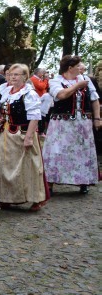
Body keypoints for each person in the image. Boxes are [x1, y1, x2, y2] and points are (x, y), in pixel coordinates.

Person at [0, 63, 49, 211]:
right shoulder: (5, 91)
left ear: (25, 77)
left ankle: (35, 198)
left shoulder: (29, 93)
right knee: (4, 165)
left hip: (23, 133)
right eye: (11, 74)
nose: (13, 77)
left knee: (29, 167)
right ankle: (7, 197)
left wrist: (29, 137)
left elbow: (34, 116)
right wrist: (0, 117)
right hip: (6, 134)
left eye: (16, 74)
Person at [42, 55, 101, 194]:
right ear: (70, 68)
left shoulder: (85, 80)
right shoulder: (55, 81)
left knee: (82, 152)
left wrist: (97, 118)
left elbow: (94, 100)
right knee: (56, 151)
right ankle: (50, 182)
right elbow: (61, 95)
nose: (81, 68)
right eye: (78, 66)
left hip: (82, 124)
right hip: (61, 124)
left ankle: (83, 181)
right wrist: (77, 86)